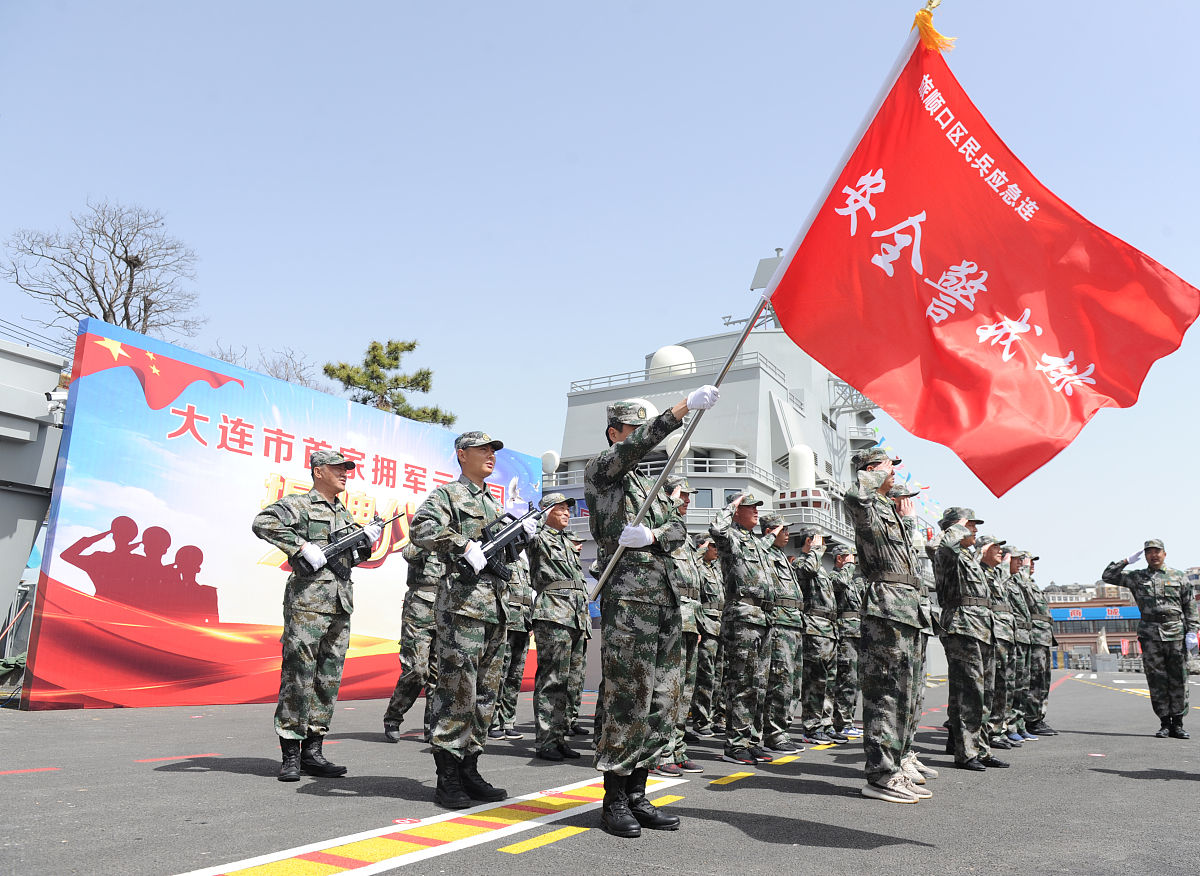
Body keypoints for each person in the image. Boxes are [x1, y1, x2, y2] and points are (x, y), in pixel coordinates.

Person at [585, 386, 719, 839]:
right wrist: (679, 410)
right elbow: (637, 446)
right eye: (634, 429)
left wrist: (657, 536)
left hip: (666, 602)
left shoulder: (649, 484)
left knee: (663, 701)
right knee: (628, 699)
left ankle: (639, 794)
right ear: (615, 432)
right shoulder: (604, 470)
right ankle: (614, 800)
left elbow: (679, 526)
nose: (645, 438)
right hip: (630, 601)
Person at [410, 430, 535, 809]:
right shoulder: (448, 495)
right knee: (456, 690)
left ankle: (470, 767)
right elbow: (421, 529)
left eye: (494, 450)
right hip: (463, 606)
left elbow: (504, 552)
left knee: (485, 694)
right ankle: (447, 776)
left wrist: (521, 532)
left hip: (496, 607)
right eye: (482, 450)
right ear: (462, 455)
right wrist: (462, 544)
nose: (490, 455)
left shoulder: (493, 504)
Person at [252, 450, 382, 782]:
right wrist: (298, 547)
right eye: (339, 469)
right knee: (298, 676)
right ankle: (291, 753)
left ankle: (314, 750)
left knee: (328, 679)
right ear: (319, 471)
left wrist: (366, 543)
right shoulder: (299, 505)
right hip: (307, 604)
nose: (345, 474)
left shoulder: (344, 514)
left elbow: (349, 559)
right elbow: (262, 523)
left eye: (347, 469)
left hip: (340, 605)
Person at [844, 448, 930, 804]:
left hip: (905, 609)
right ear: (869, 470)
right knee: (886, 694)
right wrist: (873, 473)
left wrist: (907, 519)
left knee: (905, 695)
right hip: (885, 610)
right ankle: (880, 774)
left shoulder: (889, 511)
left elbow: (908, 559)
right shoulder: (866, 503)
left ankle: (895, 764)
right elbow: (854, 495)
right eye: (887, 466)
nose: (894, 471)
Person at [1102, 539, 1199, 738]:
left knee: (1179, 678)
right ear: (1144, 555)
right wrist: (1126, 561)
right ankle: (1164, 722)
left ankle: (1178, 723)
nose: (1153, 555)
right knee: (1157, 680)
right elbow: (1107, 576)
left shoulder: (1179, 577)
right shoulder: (1137, 577)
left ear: (1165, 553)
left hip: (1176, 633)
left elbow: (1190, 606)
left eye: (1157, 551)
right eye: (1149, 552)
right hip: (1150, 634)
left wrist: (1193, 631)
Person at [935, 509, 1006, 772]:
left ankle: (981, 749)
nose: (974, 531)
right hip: (962, 625)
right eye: (969, 526)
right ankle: (967, 753)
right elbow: (944, 545)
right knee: (970, 693)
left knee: (985, 691)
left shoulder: (968, 557)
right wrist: (958, 528)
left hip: (982, 627)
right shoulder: (947, 552)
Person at [709, 491, 775, 767]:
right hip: (742, 615)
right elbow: (716, 529)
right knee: (741, 682)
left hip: (762, 615)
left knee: (758, 684)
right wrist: (731, 506)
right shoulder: (731, 538)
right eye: (750, 507)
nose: (756, 511)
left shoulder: (755, 542)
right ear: (737, 511)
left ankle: (750, 740)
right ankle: (735, 745)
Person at [527, 492, 589, 761]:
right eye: (560, 508)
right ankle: (545, 741)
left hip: (574, 615)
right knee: (551, 679)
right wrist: (537, 520)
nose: (566, 512)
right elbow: (525, 535)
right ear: (546, 511)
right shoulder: (538, 536)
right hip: (553, 612)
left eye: (567, 508)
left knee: (570, 682)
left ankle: (560, 735)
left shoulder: (567, 541)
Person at [655, 476, 705, 775]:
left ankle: (677, 749)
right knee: (666, 690)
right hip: (671, 617)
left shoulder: (682, 534)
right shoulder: (662, 526)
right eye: (682, 495)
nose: (687, 500)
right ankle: (660, 754)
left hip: (690, 619)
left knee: (685, 691)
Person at [383, 542, 440, 743]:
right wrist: (431, 536)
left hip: (447, 609)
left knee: (439, 674)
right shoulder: (423, 538)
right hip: (419, 609)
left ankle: (433, 727)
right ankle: (393, 716)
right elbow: (409, 554)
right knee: (416, 670)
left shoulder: (455, 540)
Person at [759, 514, 805, 755]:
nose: (787, 533)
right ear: (770, 532)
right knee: (780, 681)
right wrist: (769, 537)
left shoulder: (781, 557)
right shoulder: (764, 552)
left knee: (793, 683)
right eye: (782, 529)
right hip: (780, 623)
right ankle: (774, 733)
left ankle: (782, 730)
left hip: (794, 624)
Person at [794, 527, 843, 744]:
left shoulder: (820, 567)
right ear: (809, 540)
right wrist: (814, 550)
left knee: (829, 681)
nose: (824, 545)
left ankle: (825, 723)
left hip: (828, 629)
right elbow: (807, 571)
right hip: (813, 627)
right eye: (820, 540)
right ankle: (812, 727)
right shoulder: (802, 563)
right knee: (815, 681)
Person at [489, 552, 535, 741]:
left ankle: (508, 721)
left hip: (523, 622)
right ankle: (491, 722)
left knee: (515, 676)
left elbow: (528, 592)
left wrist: (530, 620)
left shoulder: (523, 562)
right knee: (499, 674)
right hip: (507, 621)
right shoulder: (499, 558)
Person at [978, 535, 1016, 751]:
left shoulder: (993, 574)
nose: (1001, 552)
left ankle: (997, 729)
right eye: (996, 548)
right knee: (993, 686)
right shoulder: (979, 570)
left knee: (1003, 684)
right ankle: (992, 730)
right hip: (991, 632)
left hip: (1003, 633)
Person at [689, 538, 724, 739]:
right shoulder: (698, 568)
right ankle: (701, 721)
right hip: (706, 626)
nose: (716, 549)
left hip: (720, 626)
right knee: (705, 676)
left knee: (718, 676)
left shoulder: (716, 570)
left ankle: (712, 717)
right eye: (713, 545)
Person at [1021, 552, 1058, 736]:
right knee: (1034, 679)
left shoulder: (1033, 584)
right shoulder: (1022, 581)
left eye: (1033, 562)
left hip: (1043, 637)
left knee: (1043, 680)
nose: (1032, 565)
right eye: (1029, 562)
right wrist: (1023, 568)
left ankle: (1038, 717)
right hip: (1034, 637)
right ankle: (1032, 719)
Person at [831, 548, 864, 738]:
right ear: (840, 559)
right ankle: (842, 722)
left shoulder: (853, 581)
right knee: (846, 680)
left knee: (854, 681)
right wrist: (849, 566)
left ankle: (848, 720)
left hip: (856, 633)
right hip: (845, 633)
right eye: (850, 559)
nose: (853, 563)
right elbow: (840, 584)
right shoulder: (834, 577)